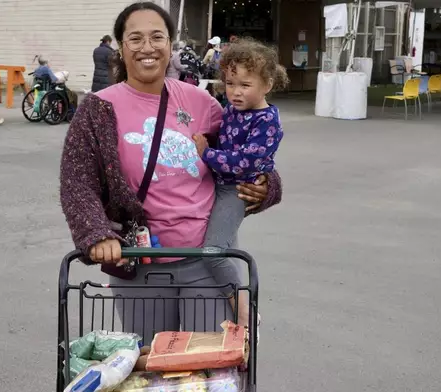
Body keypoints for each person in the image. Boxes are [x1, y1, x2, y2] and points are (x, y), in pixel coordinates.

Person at [59, 2, 282, 344]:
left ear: (170, 44)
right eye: (135, 38)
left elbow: (244, 150)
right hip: (141, 262)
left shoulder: (200, 101)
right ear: (121, 46)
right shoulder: (98, 108)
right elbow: (78, 181)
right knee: (149, 362)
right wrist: (96, 232)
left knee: (208, 364)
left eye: (157, 37)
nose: (147, 47)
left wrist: (268, 184)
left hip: (205, 261)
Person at [192, 37, 289, 326]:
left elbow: (243, 161)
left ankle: (245, 309)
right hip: (219, 185)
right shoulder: (234, 110)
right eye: (230, 83)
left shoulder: (267, 121)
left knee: (213, 252)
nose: (235, 92)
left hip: (235, 191)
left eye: (245, 86)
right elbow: (224, 137)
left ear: (267, 85)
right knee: (226, 247)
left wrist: (206, 153)